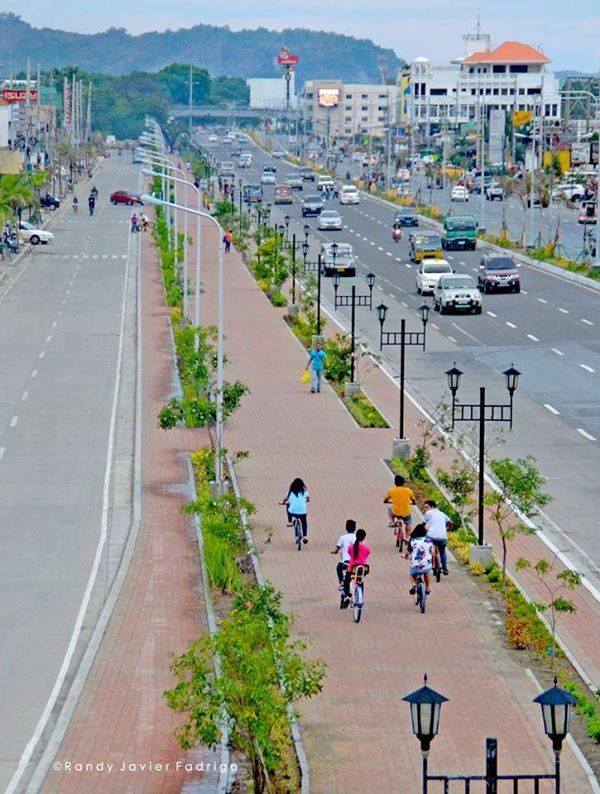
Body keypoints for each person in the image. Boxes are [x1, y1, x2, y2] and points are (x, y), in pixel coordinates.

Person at [423, 499, 453, 576]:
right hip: (442, 537)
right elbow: (450, 522)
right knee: (442, 551)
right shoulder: (442, 514)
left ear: (432, 507)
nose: (425, 509)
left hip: (431, 536)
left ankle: (426, 565)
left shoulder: (428, 513)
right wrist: (448, 528)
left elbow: (423, 524)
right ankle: (444, 568)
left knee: (426, 548)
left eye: (426, 507)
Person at [342, 529, 371, 603]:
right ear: (364, 538)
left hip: (352, 569)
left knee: (346, 581)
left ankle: (347, 595)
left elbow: (349, 553)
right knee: (360, 580)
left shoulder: (352, 547)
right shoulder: (366, 547)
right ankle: (362, 597)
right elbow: (368, 554)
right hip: (363, 569)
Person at [407, 523, 434, 596]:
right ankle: (428, 588)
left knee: (411, 574)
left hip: (415, 566)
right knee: (427, 572)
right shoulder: (429, 540)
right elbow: (432, 552)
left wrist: (405, 556)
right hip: (426, 565)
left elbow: (409, 551)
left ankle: (413, 586)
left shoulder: (413, 541)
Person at [280, 478, 310, 544]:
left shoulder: (290, 492)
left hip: (293, 512)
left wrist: (282, 502)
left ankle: (290, 522)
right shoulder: (304, 491)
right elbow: (308, 498)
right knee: (304, 521)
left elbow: (286, 499)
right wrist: (307, 500)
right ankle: (305, 536)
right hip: (302, 512)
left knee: (288, 504)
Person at [330, 519, 357, 591]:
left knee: (339, 568)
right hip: (356, 563)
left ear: (346, 528)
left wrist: (333, 552)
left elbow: (336, 550)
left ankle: (341, 582)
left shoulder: (342, 537)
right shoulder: (357, 538)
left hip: (346, 563)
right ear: (355, 528)